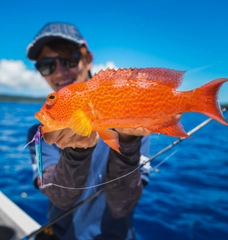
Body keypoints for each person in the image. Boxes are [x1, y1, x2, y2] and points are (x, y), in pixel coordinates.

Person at [26, 22, 151, 240]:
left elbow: (122, 205)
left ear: (88, 59)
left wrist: (129, 141)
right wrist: (75, 153)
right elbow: (60, 197)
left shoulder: (130, 118)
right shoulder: (39, 134)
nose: (60, 72)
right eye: (47, 66)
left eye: (69, 60)